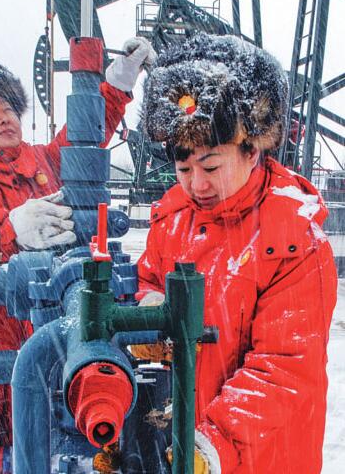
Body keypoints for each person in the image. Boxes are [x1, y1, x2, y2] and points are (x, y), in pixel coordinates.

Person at [0, 37, 156, 473]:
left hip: (44, 334)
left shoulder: (40, 161)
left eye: (9, 108)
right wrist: (10, 227)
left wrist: (113, 87)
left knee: (41, 444)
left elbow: (81, 140)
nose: (5, 119)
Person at [134, 33, 337, 473]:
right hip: (185, 444)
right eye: (183, 168)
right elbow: (148, 279)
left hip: (263, 455)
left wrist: (212, 443)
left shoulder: (294, 239)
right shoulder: (171, 218)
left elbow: (284, 367)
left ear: (253, 151)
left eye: (210, 166)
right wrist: (148, 311)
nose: (196, 184)